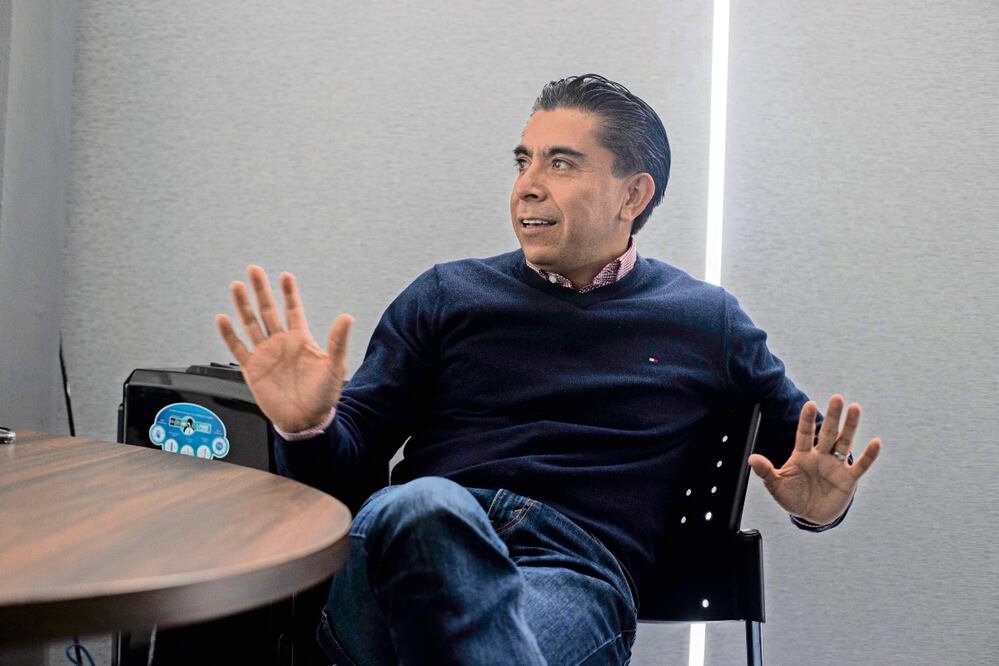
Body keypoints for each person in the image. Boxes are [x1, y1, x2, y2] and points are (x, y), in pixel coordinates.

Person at [215, 74, 881, 665]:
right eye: (523, 161)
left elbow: (805, 455)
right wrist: (306, 427)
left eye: (560, 163)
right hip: (413, 548)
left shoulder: (707, 321)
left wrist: (822, 509)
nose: (527, 185)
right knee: (422, 508)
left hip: (570, 573)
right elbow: (341, 475)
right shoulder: (445, 295)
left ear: (632, 195)